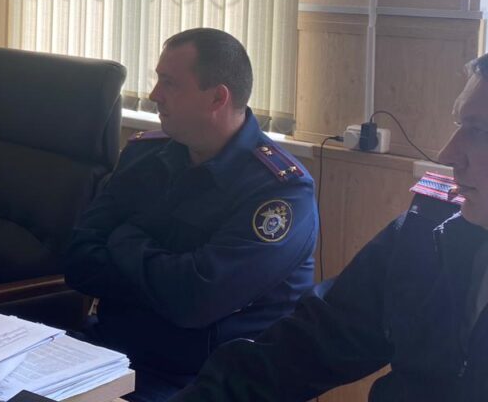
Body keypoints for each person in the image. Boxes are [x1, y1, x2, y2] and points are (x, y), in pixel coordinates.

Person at [170, 54, 488, 402]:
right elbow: (310, 344)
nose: (447, 154)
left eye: (478, 132)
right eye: (460, 125)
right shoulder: (427, 228)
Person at [65, 28, 318, 400]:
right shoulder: (143, 156)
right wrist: (168, 278)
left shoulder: (280, 192)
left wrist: (123, 239)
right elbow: (78, 260)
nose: (154, 95)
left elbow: (195, 301)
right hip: (108, 354)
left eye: (169, 83)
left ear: (217, 97)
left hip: (205, 381)